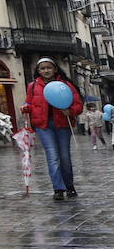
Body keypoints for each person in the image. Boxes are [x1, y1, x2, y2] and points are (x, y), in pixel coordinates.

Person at [21, 57, 81, 201]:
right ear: (38, 71)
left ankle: (69, 185)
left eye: (49, 67)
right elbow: (30, 103)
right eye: (42, 68)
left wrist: (71, 110)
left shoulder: (66, 85)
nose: (46, 70)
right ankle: (58, 188)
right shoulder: (33, 86)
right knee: (52, 156)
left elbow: (78, 104)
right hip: (43, 126)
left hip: (63, 125)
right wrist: (26, 108)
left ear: (55, 69)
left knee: (65, 157)